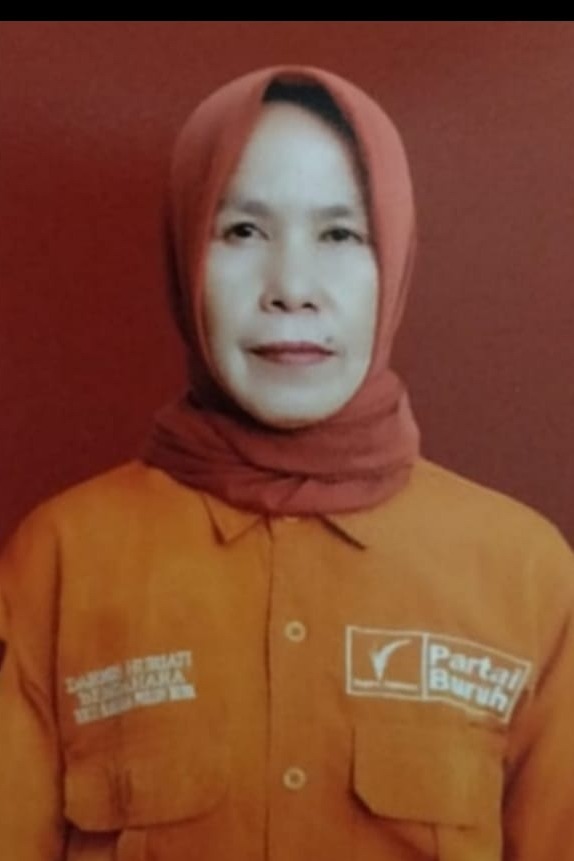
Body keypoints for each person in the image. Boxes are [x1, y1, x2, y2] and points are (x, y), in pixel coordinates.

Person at [0, 65, 573, 861]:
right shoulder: (61, 560)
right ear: (184, 257)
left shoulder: (528, 574)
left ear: (395, 260)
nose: (292, 288)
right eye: (242, 231)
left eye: (340, 235)